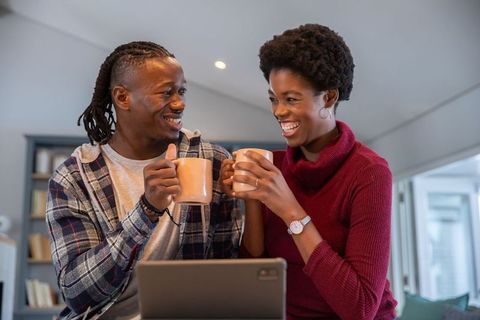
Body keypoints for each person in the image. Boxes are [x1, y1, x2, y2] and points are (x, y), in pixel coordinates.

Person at [46, 41, 241, 320]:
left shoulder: (211, 160)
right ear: (122, 98)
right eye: (166, 93)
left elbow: (227, 267)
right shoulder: (74, 178)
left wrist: (240, 198)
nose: (179, 103)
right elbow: (77, 293)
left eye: (181, 91)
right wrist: (147, 209)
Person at [221, 24, 397, 319]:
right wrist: (252, 197)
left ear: (328, 98)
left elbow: (360, 308)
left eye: (290, 99)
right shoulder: (274, 166)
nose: (278, 111)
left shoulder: (369, 173)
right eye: (273, 99)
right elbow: (257, 272)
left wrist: (290, 210)